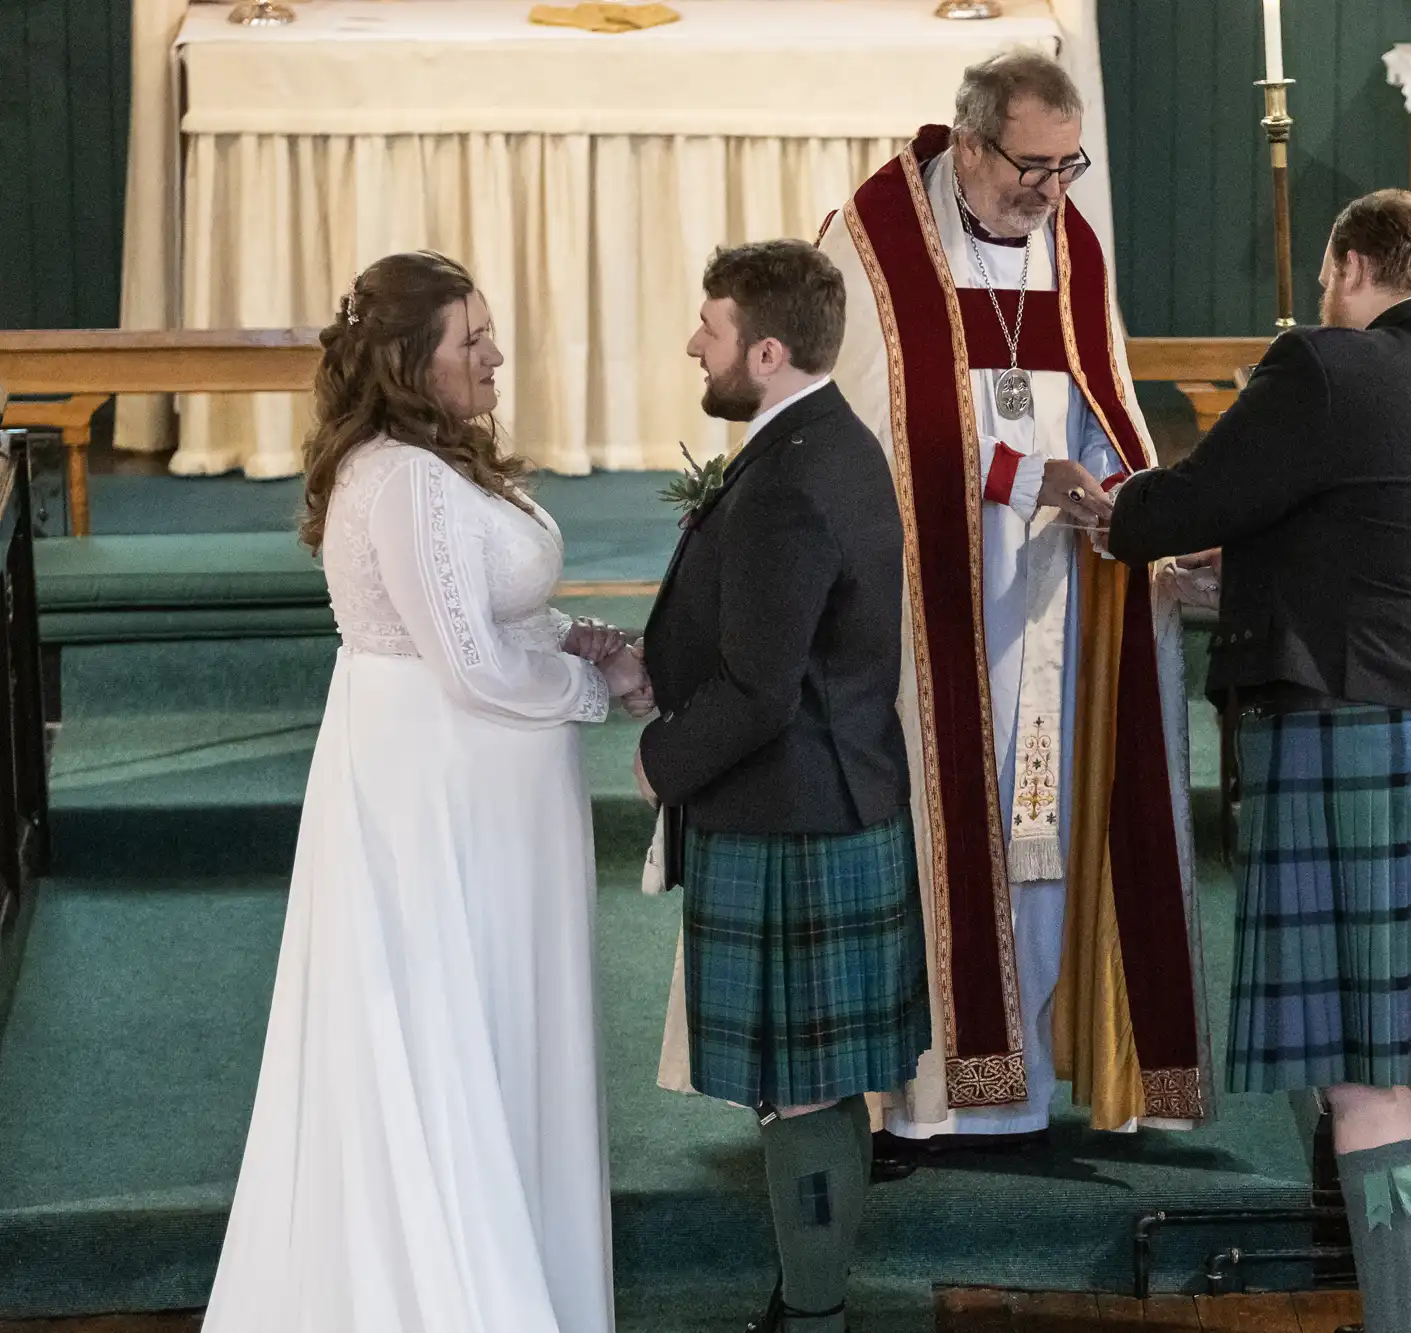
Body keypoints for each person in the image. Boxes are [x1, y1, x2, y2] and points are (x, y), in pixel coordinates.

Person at [1107, 191, 1411, 1333]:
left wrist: (1108, 504)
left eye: (1331, 274)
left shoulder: (1326, 366)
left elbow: (1180, 506)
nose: (1325, 296)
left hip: (1367, 743)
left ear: (1355, 263)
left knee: (1366, 1074)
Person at [202, 251, 647, 1333]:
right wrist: (600, 685)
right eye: (472, 339)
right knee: (440, 1026)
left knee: (492, 1027)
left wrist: (569, 637)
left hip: (480, 798)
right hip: (433, 796)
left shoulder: (433, 460)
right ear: (412, 360)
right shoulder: (397, 477)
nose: (495, 352)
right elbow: (469, 666)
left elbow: (482, 620)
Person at [811, 49, 1209, 1159]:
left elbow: (1101, 404)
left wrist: (1123, 500)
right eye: (1031, 165)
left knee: (1046, 821)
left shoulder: (1069, 241)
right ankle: (929, 1087)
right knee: (945, 817)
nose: (1049, 189)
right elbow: (866, 431)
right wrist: (1027, 478)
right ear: (971, 143)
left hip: (1049, 590)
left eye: (1066, 164)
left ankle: (1022, 1076)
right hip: (928, 599)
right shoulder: (878, 240)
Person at [637, 240, 930, 1333]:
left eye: (708, 332)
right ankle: (809, 1295)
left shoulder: (789, 480)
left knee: (802, 1086)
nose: (691, 347)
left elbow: (761, 691)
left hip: (793, 816)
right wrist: (651, 663)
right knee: (823, 1079)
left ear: (765, 351)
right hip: (829, 799)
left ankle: (814, 1313)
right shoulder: (825, 442)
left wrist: (660, 756)